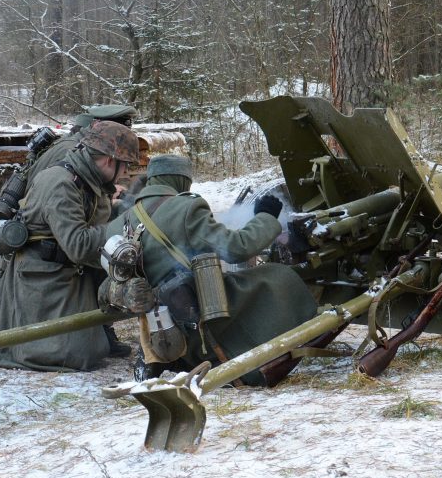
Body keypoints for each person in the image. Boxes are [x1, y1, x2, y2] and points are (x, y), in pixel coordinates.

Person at [124, 155, 317, 386]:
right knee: (279, 277)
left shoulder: (124, 219)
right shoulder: (186, 207)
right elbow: (237, 248)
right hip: (201, 320)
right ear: (181, 180)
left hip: (163, 323)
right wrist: (265, 217)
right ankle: (253, 360)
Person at [0, 120, 142, 371]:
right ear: (110, 161)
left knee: (92, 348)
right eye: (126, 167)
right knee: (77, 355)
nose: (126, 174)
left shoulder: (88, 181)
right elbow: (78, 245)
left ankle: (101, 332)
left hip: (66, 273)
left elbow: (95, 225)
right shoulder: (61, 183)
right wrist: (123, 227)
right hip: (43, 278)